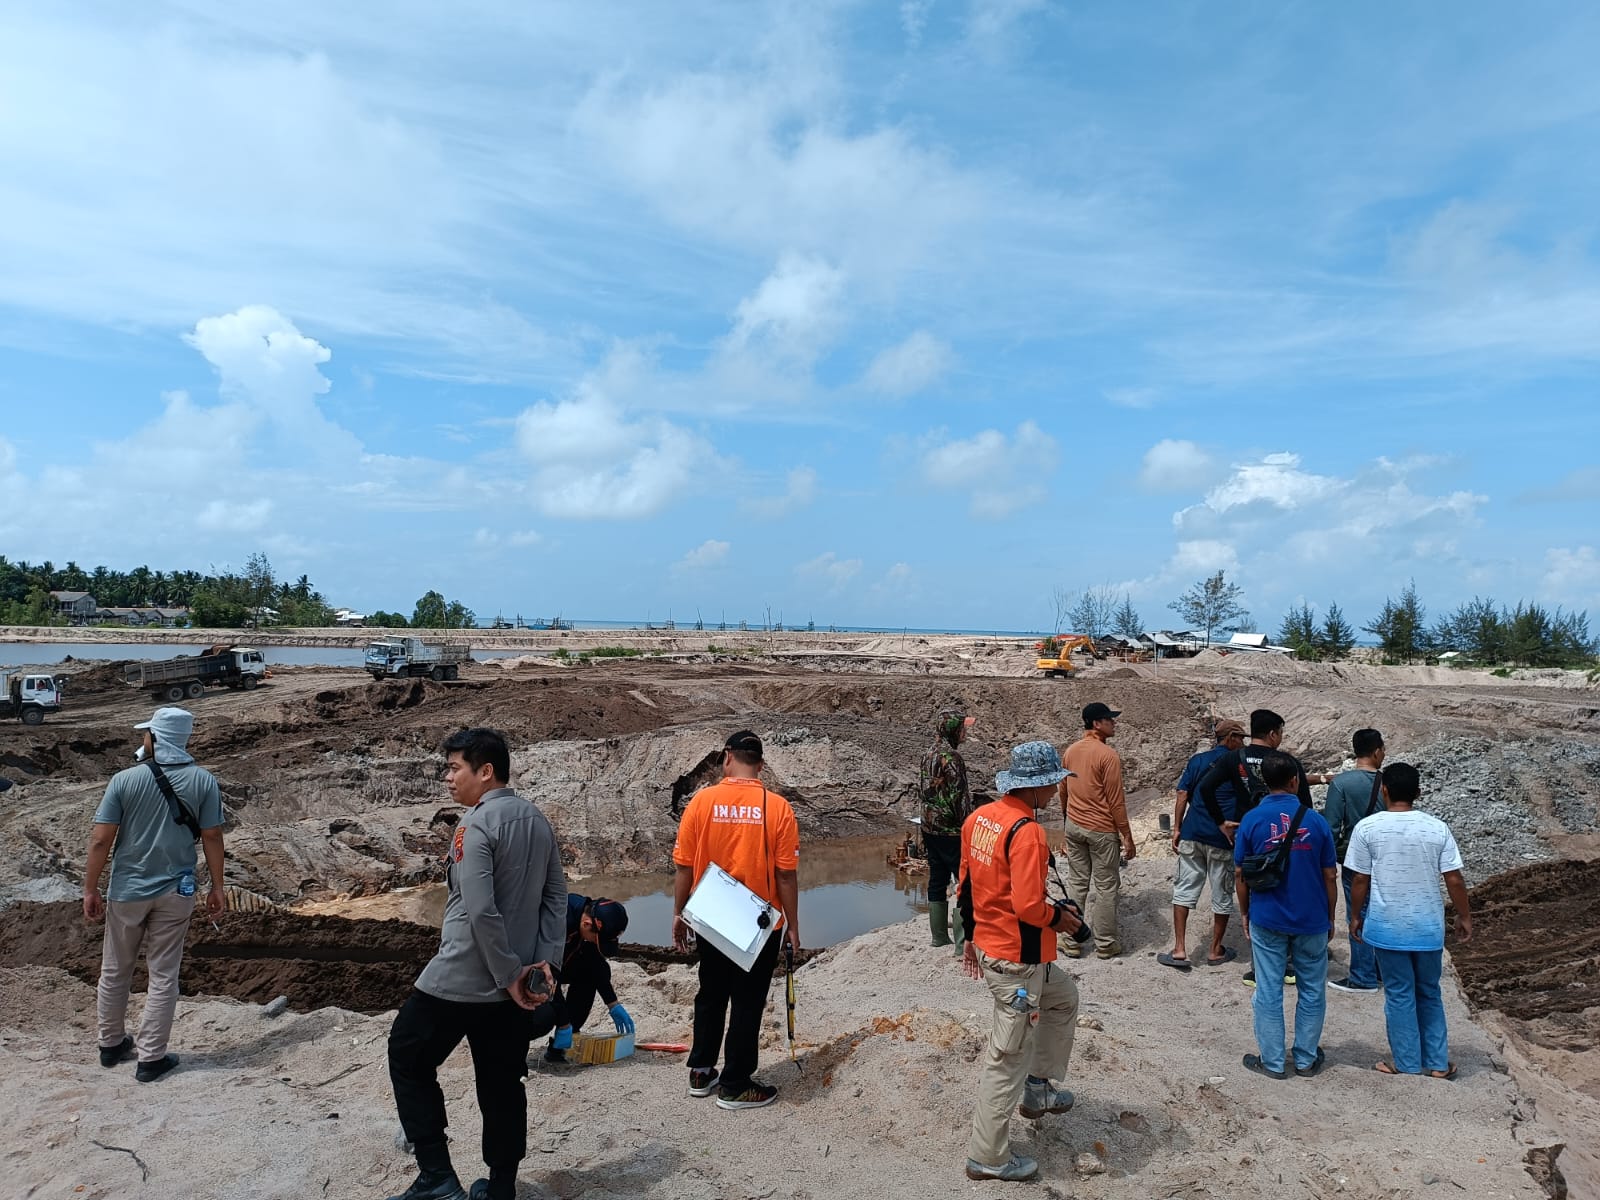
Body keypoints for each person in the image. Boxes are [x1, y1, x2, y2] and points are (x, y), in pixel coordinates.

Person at [385, 728, 567, 1200]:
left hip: (462, 977)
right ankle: (501, 1186)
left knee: (408, 1054)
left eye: (454, 768)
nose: (447, 778)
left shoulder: (475, 825)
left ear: (485, 772)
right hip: (520, 982)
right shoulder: (537, 820)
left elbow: (481, 910)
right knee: (502, 1080)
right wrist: (545, 966)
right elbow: (556, 898)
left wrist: (507, 975)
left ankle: (436, 1176)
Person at [958, 741, 1085, 1183]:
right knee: (1006, 1057)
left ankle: (1039, 1088)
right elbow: (1031, 907)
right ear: (1038, 786)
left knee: (1064, 998)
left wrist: (969, 937)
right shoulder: (1028, 832)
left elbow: (966, 883)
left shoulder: (979, 819)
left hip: (1006, 950)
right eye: (1052, 784)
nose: (1055, 791)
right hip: (1017, 959)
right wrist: (1063, 920)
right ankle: (987, 1157)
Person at [81, 706, 225, 1083]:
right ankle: (151, 1059)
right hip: (177, 891)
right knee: (163, 974)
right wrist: (217, 886)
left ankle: (111, 1045)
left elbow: (100, 839)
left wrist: (90, 888)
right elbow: (211, 836)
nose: (142, 738)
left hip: (127, 891)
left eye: (147, 734)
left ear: (156, 738)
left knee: (115, 969)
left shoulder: (124, 781)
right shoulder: (203, 781)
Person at [672, 730, 800, 1111]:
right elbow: (786, 876)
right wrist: (792, 924)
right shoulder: (777, 808)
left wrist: (679, 914)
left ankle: (701, 1070)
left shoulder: (701, 802)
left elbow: (682, 866)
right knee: (747, 1001)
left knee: (710, 994)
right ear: (760, 765)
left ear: (727, 758)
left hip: (711, 915)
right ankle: (735, 1083)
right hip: (757, 924)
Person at [1346, 762, 1473, 1079]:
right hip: (1428, 927)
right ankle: (1438, 1064)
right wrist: (1464, 915)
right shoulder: (1437, 828)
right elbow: (1454, 879)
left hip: (1387, 927)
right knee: (1429, 992)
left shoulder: (1367, 829)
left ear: (1384, 791)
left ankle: (1405, 1063)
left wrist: (1355, 916)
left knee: (1399, 993)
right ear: (1418, 792)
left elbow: (1360, 879)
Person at [1198, 708, 1335, 986]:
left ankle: (1260, 964)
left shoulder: (1234, 758)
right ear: (1273, 733)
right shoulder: (1287, 762)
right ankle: (1291, 962)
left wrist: (1221, 822)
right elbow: (1305, 804)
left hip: (1251, 832)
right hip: (1289, 833)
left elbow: (1205, 788)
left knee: (1257, 888)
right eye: (1281, 732)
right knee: (1291, 889)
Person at [1232, 750, 1337, 1079]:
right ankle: (1305, 1059)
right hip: (1311, 919)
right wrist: (1331, 917)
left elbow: (1239, 874)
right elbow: (1330, 875)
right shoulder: (1316, 821)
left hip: (1267, 916)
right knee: (1311, 989)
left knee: (1268, 990)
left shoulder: (1251, 820)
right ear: (1295, 781)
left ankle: (1274, 1062)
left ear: (1264, 782)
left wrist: (1245, 913)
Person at [1160, 719, 1247, 971]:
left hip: (1192, 832)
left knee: (1184, 889)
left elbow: (1182, 794)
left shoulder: (1198, 761)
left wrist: (1177, 828)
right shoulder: (1238, 764)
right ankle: (1214, 950)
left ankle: (1179, 949)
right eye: (1240, 737)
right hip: (1223, 837)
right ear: (1230, 738)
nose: (1243, 742)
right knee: (1222, 893)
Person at [1060, 701, 1132, 959]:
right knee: (1105, 887)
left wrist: (1067, 820)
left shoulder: (1070, 751)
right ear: (1096, 724)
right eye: (1109, 719)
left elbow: (1063, 790)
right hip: (1101, 830)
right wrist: (1127, 835)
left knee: (1077, 883)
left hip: (1074, 826)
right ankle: (1105, 943)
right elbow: (1116, 801)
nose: (1114, 723)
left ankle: (1071, 941)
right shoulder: (1107, 756)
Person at [1324, 729, 1387, 993]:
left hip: (1355, 859)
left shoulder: (1341, 783)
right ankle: (1383, 971)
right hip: (1387, 858)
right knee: (1382, 912)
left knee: (1358, 914)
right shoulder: (1389, 783)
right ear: (1376, 751)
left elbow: (1331, 825)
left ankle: (1362, 976)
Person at [544, 894, 634, 1063]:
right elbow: (547, 978)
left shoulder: (587, 915)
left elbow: (596, 964)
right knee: (543, 1018)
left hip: (561, 964)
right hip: (534, 972)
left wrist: (612, 1003)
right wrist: (563, 1022)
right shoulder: (558, 920)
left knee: (593, 971)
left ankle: (559, 1046)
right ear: (587, 924)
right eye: (597, 939)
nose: (596, 942)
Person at [919, 709, 975, 950]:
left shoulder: (928, 753)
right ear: (953, 730)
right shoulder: (952, 758)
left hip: (930, 827)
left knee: (937, 880)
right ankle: (962, 944)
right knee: (965, 882)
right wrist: (969, 825)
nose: (965, 732)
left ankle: (939, 937)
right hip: (952, 831)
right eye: (963, 727)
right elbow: (959, 797)